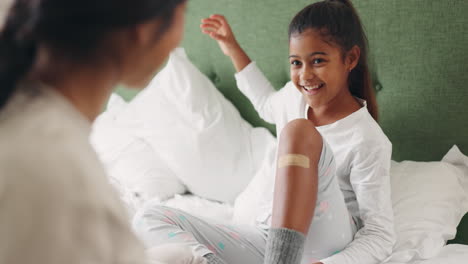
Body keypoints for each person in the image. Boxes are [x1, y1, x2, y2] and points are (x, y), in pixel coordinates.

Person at [132, 0, 395, 264]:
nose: (305, 76)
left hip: (320, 245)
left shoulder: (367, 139)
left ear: (350, 58)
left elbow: (379, 235)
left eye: (317, 61)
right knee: (149, 217)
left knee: (298, 132)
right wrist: (232, 48)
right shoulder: (295, 98)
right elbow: (266, 103)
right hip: (267, 240)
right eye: (296, 63)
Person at [0, 1, 206, 264]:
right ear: (141, 28)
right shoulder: (59, 173)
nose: (178, 42)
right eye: (183, 13)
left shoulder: (22, 110)